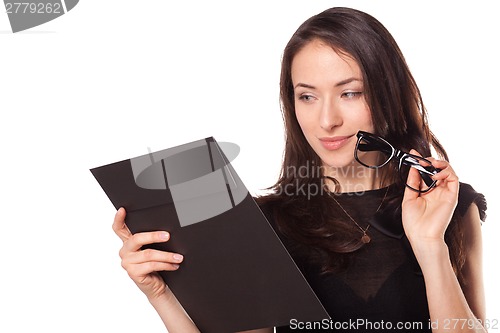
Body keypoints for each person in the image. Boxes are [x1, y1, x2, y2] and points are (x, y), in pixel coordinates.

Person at [112, 7, 487, 332]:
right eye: (307, 96)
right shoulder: (264, 223)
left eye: (350, 92)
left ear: (386, 92)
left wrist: (430, 247)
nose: (326, 120)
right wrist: (160, 295)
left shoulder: (449, 206)